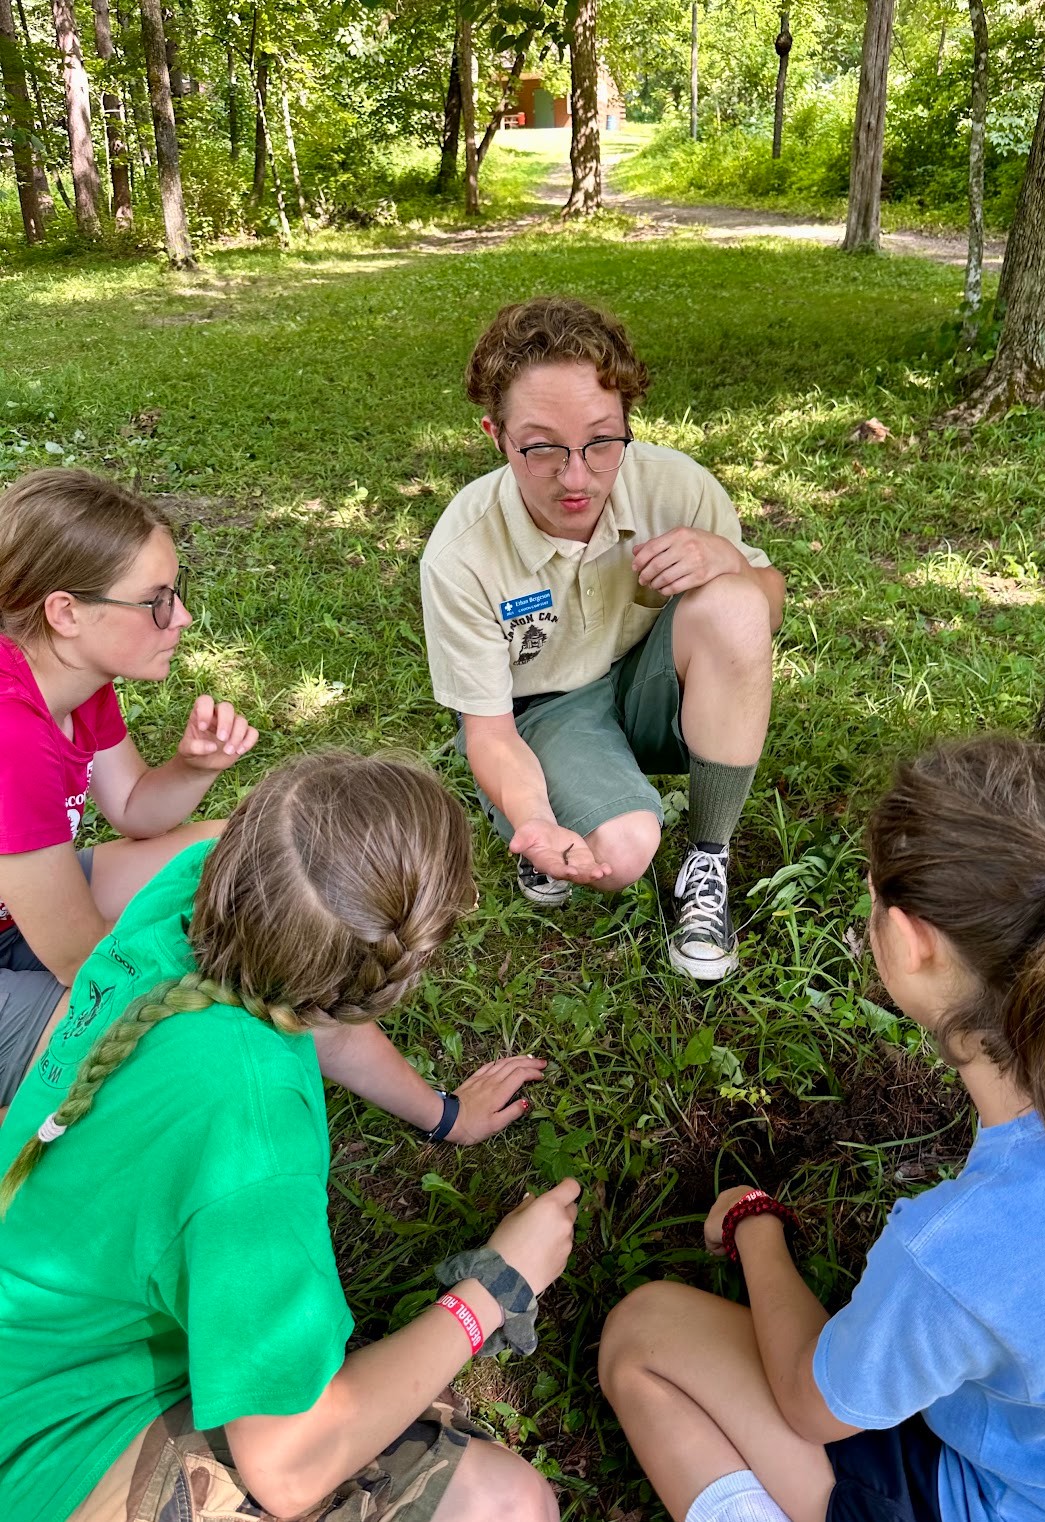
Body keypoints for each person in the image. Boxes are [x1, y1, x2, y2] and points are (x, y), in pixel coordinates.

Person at [598, 735, 1045, 1522]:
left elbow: (806, 1403)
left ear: (913, 942)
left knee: (642, 1336)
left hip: (1015, 1502)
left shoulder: (957, 1254)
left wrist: (756, 1228)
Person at [0, 750, 574, 1522]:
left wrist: (446, 1114)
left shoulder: (195, 888)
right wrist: (497, 1287)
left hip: (35, 1339)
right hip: (49, 1454)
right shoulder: (254, 1142)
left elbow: (316, 1020)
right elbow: (289, 1464)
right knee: (504, 1505)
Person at [420, 297, 785, 982]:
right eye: (541, 448)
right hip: (543, 712)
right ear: (494, 435)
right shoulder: (461, 553)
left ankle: (709, 857)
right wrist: (536, 819)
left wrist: (727, 562)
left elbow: (768, 607)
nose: (578, 476)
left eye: (601, 441)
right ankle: (540, 819)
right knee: (621, 852)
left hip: (646, 683)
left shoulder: (677, 485)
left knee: (735, 604)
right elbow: (490, 733)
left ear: (627, 427)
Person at [0, 467, 260, 1112]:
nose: (183, 617)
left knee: (239, 851)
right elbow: (78, 958)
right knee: (171, 1049)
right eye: (157, 600)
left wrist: (194, 769)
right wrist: (217, 961)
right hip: (40, 931)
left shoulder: (73, 676)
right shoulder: (11, 733)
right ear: (66, 612)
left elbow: (135, 810)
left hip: (16, 915)